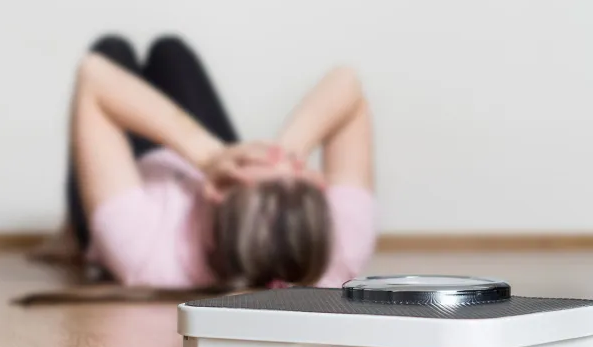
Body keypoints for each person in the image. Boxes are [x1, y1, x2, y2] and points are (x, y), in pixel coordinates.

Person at [44, 34, 376, 289]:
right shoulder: (338, 247)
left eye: (273, 165)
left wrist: (209, 155)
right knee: (170, 52)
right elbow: (348, 82)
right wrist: (289, 150)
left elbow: (95, 76)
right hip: (196, 171)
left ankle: (74, 233)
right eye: (298, 168)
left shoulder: (140, 248)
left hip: (138, 181)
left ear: (216, 193)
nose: (280, 158)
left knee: (112, 50)